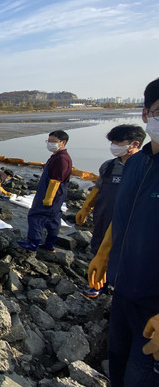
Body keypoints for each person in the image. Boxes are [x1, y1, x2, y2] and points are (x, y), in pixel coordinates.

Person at [88, 78, 159, 386]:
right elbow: (123, 215)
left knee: (141, 377)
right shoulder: (136, 164)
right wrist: (104, 255)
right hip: (124, 291)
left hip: (155, 308)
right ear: (146, 114)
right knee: (117, 364)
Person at [77, 124, 145, 298]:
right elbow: (98, 189)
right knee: (99, 247)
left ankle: (122, 288)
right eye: (112, 142)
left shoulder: (145, 167)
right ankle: (99, 285)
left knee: (123, 253)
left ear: (135, 144)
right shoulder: (108, 166)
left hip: (129, 221)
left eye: (118, 142)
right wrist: (85, 208)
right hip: (103, 215)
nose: (114, 146)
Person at [17, 130, 72, 253]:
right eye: (49, 141)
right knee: (53, 219)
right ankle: (49, 245)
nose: (50, 144)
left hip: (51, 194)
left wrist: (48, 198)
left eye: (54, 141)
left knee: (36, 216)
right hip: (56, 195)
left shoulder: (62, 159)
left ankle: (32, 243)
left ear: (63, 142)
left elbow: (55, 181)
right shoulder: (57, 156)